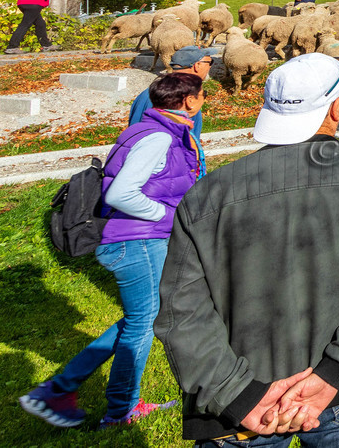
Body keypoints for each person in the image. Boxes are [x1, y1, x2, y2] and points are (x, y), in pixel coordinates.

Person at [154, 53, 339, 446]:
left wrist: (236, 393)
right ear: (335, 106)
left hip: (244, 403)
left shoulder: (208, 194)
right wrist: (336, 370)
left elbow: (182, 309)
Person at [20, 71, 204, 430]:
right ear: (189, 101)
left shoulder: (149, 129)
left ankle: (60, 389)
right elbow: (120, 194)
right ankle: (118, 410)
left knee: (140, 320)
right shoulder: (158, 138)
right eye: (201, 96)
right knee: (143, 324)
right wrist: (167, 214)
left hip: (133, 241)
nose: (202, 102)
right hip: (137, 243)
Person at [129, 45, 216, 174]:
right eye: (209, 62)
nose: (210, 67)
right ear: (197, 65)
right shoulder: (163, 97)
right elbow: (138, 139)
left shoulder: (164, 93)